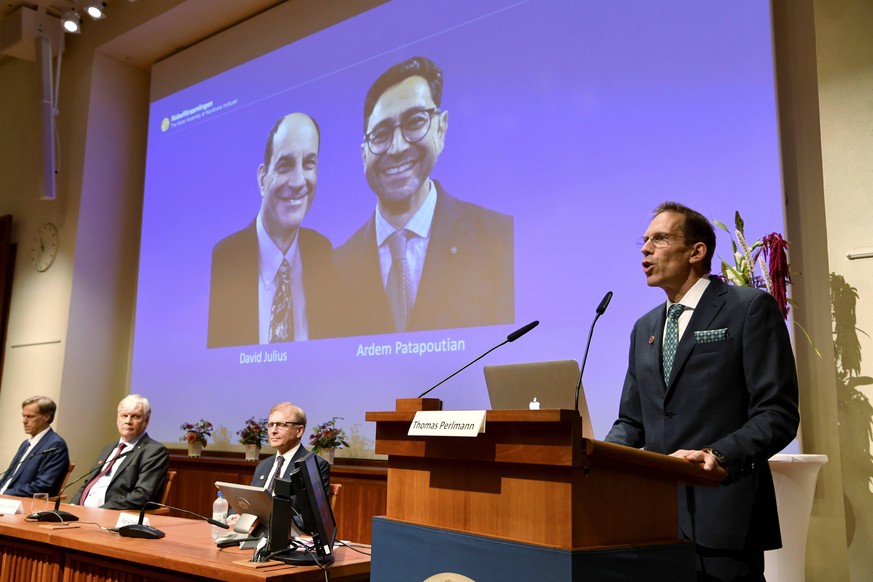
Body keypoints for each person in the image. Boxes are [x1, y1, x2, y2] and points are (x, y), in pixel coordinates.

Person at [604, 202, 800, 581]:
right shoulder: (643, 327)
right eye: (644, 241)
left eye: (659, 239)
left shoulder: (748, 309)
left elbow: (777, 412)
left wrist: (719, 454)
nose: (645, 249)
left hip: (725, 516)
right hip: (655, 524)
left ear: (697, 251)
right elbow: (632, 422)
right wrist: (598, 459)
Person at [334, 56, 514, 336]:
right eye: (380, 135)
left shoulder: (500, 240)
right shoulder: (335, 267)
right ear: (363, 155)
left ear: (441, 128)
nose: (396, 147)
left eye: (414, 122)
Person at [208, 113, 334, 348]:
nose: (298, 182)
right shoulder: (225, 259)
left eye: (308, 164)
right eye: (285, 165)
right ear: (262, 178)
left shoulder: (324, 253)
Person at [226, 402, 329, 528]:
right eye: (270, 425)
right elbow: (250, 502)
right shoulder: (263, 465)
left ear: (299, 431)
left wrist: (268, 521)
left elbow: (313, 518)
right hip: (254, 534)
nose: (273, 431)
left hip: (286, 538)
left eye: (281, 425)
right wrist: (234, 515)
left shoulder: (313, 465)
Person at [71, 394, 169, 510]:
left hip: (112, 515)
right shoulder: (109, 448)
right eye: (124, 415)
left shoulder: (154, 451)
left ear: (146, 421)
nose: (128, 421)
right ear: (118, 419)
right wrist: (72, 506)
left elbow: (142, 495)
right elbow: (88, 483)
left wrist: (102, 510)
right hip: (82, 513)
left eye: (135, 416)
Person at [0, 396, 70, 497]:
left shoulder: (56, 445)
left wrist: (3, 493)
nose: (24, 421)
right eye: (23, 416)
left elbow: (43, 486)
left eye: (30, 416)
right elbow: (8, 479)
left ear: (46, 417)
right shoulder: (25, 444)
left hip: (22, 503)